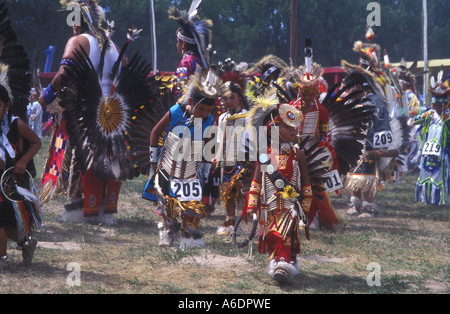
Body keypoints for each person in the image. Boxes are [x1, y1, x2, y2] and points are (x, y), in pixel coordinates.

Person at [38, 0, 128, 224]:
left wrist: (45, 98)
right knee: (105, 159)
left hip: (87, 111)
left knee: (82, 158)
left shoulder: (77, 40)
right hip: (112, 115)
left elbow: (64, 73)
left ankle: (78, 210)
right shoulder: (113, 45)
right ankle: (104, 212)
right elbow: (127, 71)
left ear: (77, 24)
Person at [144, 69, 225, 249]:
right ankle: (168, 230)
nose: (204, 113)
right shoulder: (176, 112)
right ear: (190, 102)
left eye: (208, 110)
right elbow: (155, 132)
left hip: (193, 170)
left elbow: (208, 146)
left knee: (191, 200)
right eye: (201, 109)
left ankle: (189, 233)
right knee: (166, 199)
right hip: (168, 165)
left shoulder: (209, 120)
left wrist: (207, 167)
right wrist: (154, 161)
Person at [241, 91, 313, 283]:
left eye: (294, 128)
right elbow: (255, 182)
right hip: (269, 206)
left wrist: (305, 206)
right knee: (273, 235)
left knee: (285, 232)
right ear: (274, 128)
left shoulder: (298, 154)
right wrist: (251, 205)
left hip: (290, 206)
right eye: (287, 127)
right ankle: (280, 260)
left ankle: (283, 263)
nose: (293, 131)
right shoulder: (265, 154)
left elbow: (306, 183)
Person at [341, 70, 399, 217]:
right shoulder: (350, 102)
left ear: (358, 87)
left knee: (367, 175)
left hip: (370, 145)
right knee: (354, 175)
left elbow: (382, 123)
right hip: (354, 145)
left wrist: (380, 149)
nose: (347, 91)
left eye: (348, 88)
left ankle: (369, 207)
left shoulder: (375, 101)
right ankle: (355, 204)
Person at [0, 67, 42, 269]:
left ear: (7, 106)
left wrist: (23, 160)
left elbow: (37, 143)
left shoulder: (16, 125)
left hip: (11, 182)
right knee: (5, 226)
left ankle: (2, 259)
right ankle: (25, 242)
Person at [212, 61, 252, 236]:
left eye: (231, 98)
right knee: (227, 192)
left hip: (243, 160)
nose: (227, 101)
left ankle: (243, 224)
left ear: (239, 97)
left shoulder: (248, 118)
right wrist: (216, 157)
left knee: (243, 192)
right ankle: (229, 224)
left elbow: (252, 142)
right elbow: (220, 141)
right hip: (226, 161)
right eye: (224, 98)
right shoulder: (222, 118)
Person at [412, 76, 449, 206]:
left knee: (440, 175)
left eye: (438, 105)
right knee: (426, 173)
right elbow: (412, 121)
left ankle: (439, 199)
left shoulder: (447, 116)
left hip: (442, 153)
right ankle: (427, 198)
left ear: (444, 104)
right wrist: (422, 115)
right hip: (428, 151)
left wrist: (447, 120)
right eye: (434, 104)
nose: (435, 107)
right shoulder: (429, 114)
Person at [169, 3, 213, 102]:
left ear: (183, 43)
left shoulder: (186, 63)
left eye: (177, 42)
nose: (176, 45)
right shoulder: (201, 61)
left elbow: (180, 93)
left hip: (189, 113)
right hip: (203, 111)